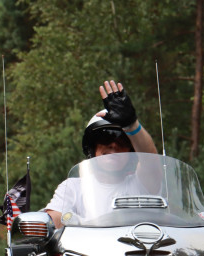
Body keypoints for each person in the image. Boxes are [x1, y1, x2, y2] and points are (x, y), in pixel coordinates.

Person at [43, 79, 159, 228]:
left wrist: (131, 125)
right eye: (105, 137)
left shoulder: (142, 184)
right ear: (92, 147)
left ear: (130, 149)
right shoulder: (73, 187)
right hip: (87, 251)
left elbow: (151, 162)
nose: (114, 144)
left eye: (122, 140)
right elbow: (54, 220)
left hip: (138, 250)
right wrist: (44, 224)